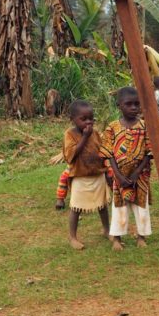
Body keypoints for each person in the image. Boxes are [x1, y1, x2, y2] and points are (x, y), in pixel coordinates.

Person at [101, 87, 152, 250]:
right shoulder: (112, 127)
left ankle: (141, 236)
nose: (133, 108)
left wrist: (138, 172)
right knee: (119, 206)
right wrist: (118, 175)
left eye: (137, 104)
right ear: (119, 106)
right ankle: (116, 238)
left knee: (141, 206)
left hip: (141, 176)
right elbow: (108, 153)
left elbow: (149, 151)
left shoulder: (145, 126)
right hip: (119, 176)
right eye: (128, 104)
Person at [62, 100, 109, 249]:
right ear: (73, 119)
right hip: (80, 176)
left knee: (102, 205)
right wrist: (84, 137)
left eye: (91, 118)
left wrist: (107, 169)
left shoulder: (95, 133)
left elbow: (102, 151)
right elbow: (71, 155)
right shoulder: (70, 134)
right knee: (76, 208)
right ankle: (73, 236)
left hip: (97, 174)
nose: (88, 122)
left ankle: (107, 229)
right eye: (83, 119)